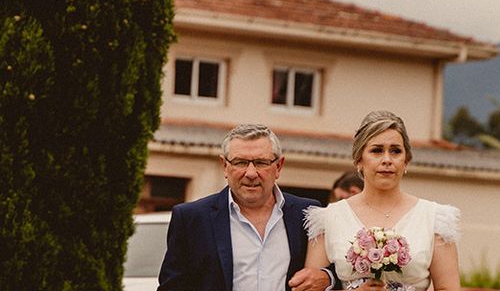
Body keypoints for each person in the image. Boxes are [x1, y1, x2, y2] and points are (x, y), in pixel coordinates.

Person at [158, 123, 336, 291]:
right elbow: (172, 287)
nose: (251, 173)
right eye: (240, 162)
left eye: (261, 162)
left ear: (279, 166)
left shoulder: (308, 213)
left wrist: (327, 278)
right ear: (225, 166)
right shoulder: (192, 218)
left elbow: (342, 270)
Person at [303, 111, 461, 291]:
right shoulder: (329, 219)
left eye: (395, 151)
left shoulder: (434, 219)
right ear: (359, 160)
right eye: (377, 151)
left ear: (406, 161)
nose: (387, 160)